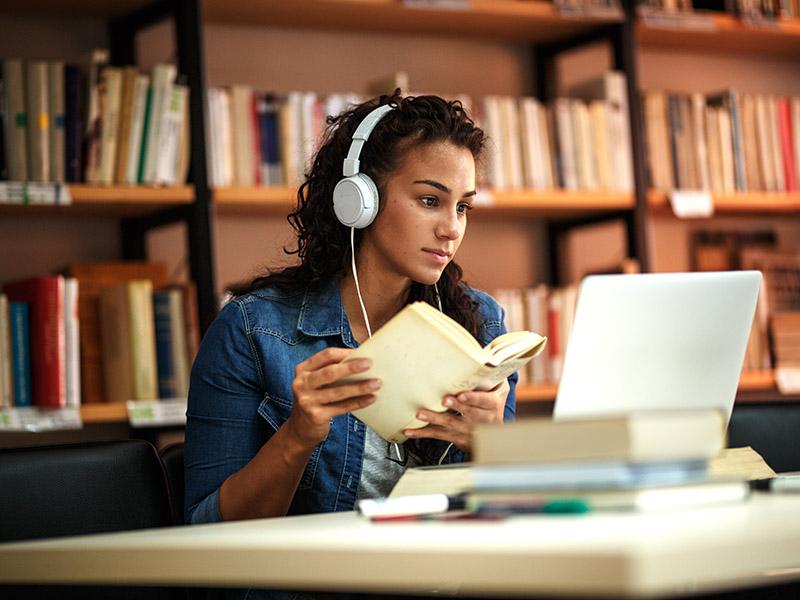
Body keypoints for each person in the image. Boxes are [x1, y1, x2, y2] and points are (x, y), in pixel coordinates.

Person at [184, 92, 518, 531]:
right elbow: (207, 527)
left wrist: (489, 448)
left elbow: (507, 518)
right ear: (360, 200)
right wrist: (297, 436)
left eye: (462, 207)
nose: (451, 228)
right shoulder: (252, 331)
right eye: (430, 200)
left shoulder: (482, 325)